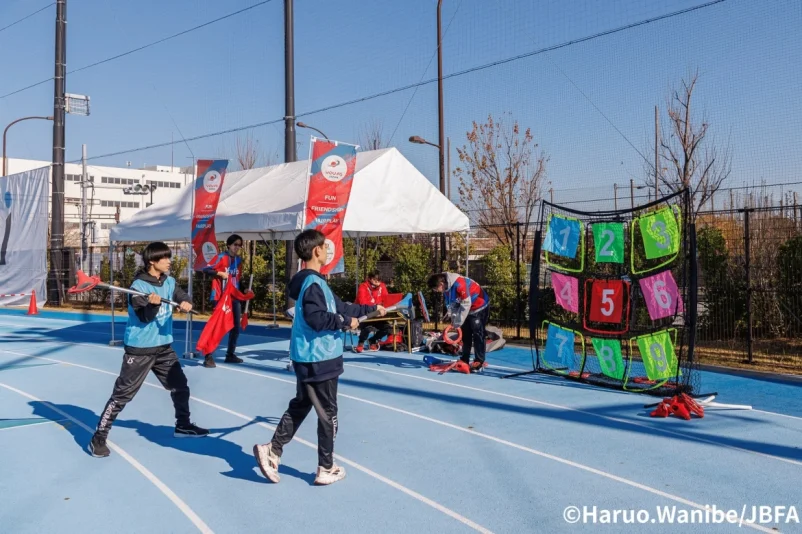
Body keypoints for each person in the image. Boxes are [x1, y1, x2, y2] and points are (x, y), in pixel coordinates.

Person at [253, 229, 385, 486]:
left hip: (313, 357)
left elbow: (342, 307)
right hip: (318, 358)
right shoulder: (312, 284)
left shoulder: (315, 283)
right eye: (325, 247)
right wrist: (345, 322)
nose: (327, 251)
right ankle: (326, 466)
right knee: (328, 414)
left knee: (302, 404)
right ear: (316, 251)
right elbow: (317, 318)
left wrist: (372, 308)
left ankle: (273, 450)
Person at [88, 242, 209, 458]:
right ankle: (98, 437)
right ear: (152, 261)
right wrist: (152, 305)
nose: (169, 261)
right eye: (165, 258)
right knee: (122, 396)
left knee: (180, 387)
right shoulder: (137, 287)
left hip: (163, 348)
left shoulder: (169, 281)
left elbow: (180, 295)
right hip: (140, 350)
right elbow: (144, 317)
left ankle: (183, 425)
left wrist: (186, 302)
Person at [427, 272, 491, 372]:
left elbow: (466, 304)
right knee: (465, 334)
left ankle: (479, 361)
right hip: (467, 308)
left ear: (441, 284)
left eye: (435, 288)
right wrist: (454, 320)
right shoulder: (446, 289)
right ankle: (464, 359)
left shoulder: (459, 283)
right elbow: (452, 306)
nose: (436, 291)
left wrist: (458, 322)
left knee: (478, 333)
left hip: (479, 306)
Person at [201, 234, 245, 367]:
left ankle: (230, 354)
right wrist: (219, 273)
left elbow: (237, 279)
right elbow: (206, 269)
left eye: (239, 245)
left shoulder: (239, 260)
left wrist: (244, 291)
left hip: (234, 297)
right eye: (235, 244)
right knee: (217, 326)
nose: (237, 247)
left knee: (235, 327)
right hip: (220, 297)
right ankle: (208, 356)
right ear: (229, 245)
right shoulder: (220, 257)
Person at [353, 270, 392, 352]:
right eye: (375, 279)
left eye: (379, 280)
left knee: (388, 328)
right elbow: (362, 302)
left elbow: (386, 299)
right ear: (370, 279)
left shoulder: (382, 286)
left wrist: (383, 307)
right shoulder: (363, 286)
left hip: (378, 315)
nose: (377, 282)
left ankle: (373, 340)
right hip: (364, 314)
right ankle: (361, 342)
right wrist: (376, 307)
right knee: (368, 328)